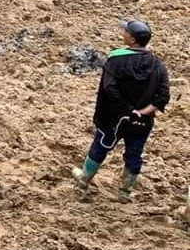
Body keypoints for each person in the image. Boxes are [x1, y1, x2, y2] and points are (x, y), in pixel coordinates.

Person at [72, 19, 170, 200]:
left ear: (132, 40)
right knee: (134, 153)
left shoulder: (116, 60)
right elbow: (163, 96)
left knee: (100, 146)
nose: (123, 33)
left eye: (126, 32)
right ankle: (125, 191)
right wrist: (142, 112)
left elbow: (110, 88)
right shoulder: (158, 66)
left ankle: (84, 178)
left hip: (113, 118)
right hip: (141, 121)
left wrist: (127, 109)